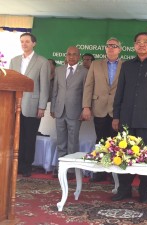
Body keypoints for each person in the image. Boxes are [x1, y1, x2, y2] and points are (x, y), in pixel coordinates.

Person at [112, 32, 147, 203]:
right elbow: (119, 92)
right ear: (134, 46)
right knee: (125, 156)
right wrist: (116, 116)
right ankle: (124, 190)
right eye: (138, 42)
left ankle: (145, 193)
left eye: (146, 42)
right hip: (127, 120)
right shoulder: (127, 66)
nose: (142, 45)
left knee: (146, 157)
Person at [9, 32, 50, 177]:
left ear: (34, 43)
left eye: (27, 41)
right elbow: (11, 83)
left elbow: (45, 86)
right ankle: (17, 165)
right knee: (16, 137)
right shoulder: (14, 60)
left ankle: (27, 166)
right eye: (22, 42)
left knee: (29, 138)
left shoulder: (42, 61)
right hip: (15, 105)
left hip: (32, 106)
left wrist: (42, 106)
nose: (24, 44)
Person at [82, 37, 123, 182]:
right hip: (99, 107)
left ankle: (115, 172)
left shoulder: (126, 66)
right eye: (108, 46)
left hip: (118, 110)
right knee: (101, 140)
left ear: (120, 49)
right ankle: (101, 171)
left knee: (116, 142)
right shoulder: (95, 64)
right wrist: (86, 106)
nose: (111, 48)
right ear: (105, 49)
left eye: (114, 46)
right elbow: (88, 86)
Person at [51, 46, 88, 179]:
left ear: (79, 56)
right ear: (65, 56)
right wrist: (53, 108)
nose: (71, 57)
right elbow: (55, 91)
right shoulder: (59, 70)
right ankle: (61, 167)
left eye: (74, 54)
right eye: (69, 54)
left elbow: (86, 93)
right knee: (61, 141)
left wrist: (85, 109)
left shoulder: (84, 71)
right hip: (59, 111)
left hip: (75, 111)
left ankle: (71, 170)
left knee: (73, 141)